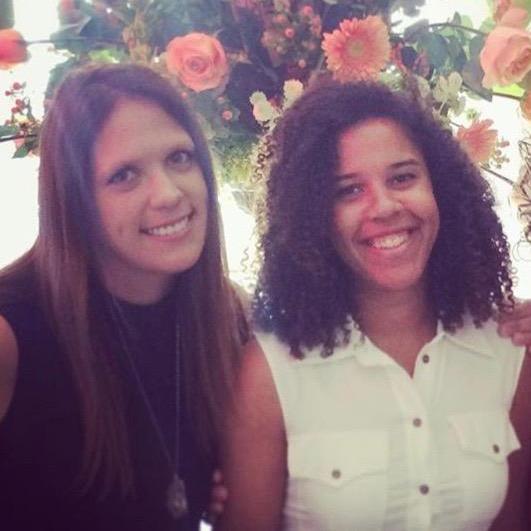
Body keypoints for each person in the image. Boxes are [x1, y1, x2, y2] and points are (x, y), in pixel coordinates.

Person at [218, 81, 531, 530]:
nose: (383, 206)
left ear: (440, 187)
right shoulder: (269, 372)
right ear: (312, 217)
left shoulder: (507, 346)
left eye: (402, 178)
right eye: (348, 190)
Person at [0, 63, 245, 530]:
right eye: (124, 175)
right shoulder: (10, 335)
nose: (168, 194)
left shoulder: (225, 317)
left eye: (179, 157)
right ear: (74, 200)